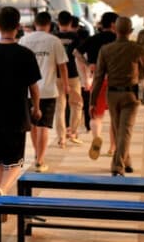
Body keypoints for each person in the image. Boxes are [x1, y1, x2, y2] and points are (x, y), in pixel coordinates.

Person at [0, 7, 42, 200]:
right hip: (17, 116)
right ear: (18, 27)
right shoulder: (26, 54)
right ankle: (2, 192)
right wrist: (37, 108)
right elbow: (34, 88)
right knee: (15, 163)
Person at [91, 17, 144, 176]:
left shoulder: (105, 49)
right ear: (131, 31)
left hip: (112, 95)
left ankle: (126, 161)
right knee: (124, 131)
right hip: (131, 95)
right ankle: (118, 166)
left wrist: (92, 101)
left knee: (118, 128)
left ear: (115, 30)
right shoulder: (138, 49)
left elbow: (98, 77)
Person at [19, 11, 68, 172]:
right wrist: (66, 87)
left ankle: (36, 154)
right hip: (47, 90)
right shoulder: (54, 41)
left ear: (35, 23)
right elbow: (62, 66)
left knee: (33, 125)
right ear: (49, 25)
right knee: (43, 127)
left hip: (27, 91)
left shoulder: (24, 40)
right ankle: (40, 160)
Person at [76, 11, 118, 160]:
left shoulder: (93, 39)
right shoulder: (118, 39)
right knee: (115, 116)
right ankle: (113, 148)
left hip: (97, 80)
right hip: (115, 81)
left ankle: (97, 137)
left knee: (96, 114)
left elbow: (76, 52)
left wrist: (88, 65)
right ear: (113, 24)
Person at [54, 11, 84, 146]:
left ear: (58, 22)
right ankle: (73, 132)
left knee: (60, 107)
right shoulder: (76, 37)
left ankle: (61, 138)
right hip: (73, 75)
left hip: (57, 76)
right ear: (71, 22)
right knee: (77, 105)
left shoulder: (53, 38)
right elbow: (79, 56)